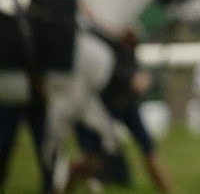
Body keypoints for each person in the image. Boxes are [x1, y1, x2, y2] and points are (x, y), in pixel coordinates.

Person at [66, 28, 173, 193]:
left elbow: (129, 62)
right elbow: (106, 69)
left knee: (148, 148)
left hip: (128, 104)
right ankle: (62, 189)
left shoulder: (130, 32)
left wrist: (136, 77)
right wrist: (131, 79)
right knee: (88, 158)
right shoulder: (100, 33)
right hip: (105, 105)